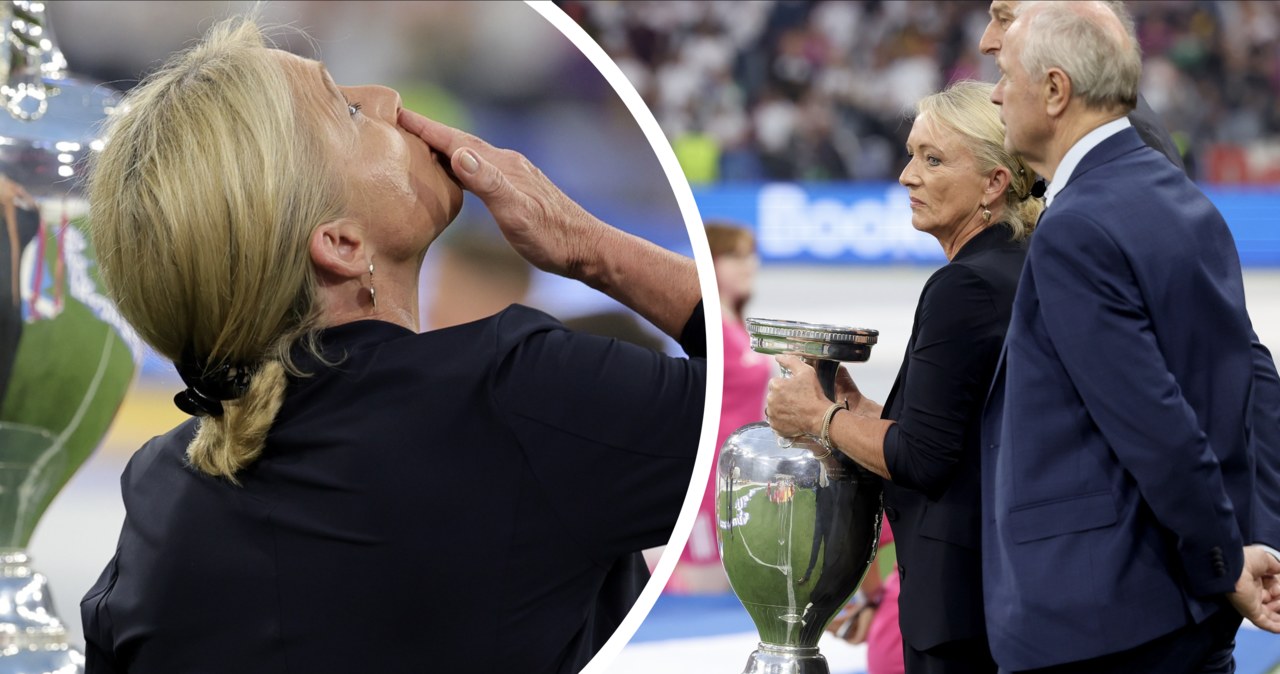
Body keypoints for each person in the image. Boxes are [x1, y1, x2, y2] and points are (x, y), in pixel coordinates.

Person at [79, 16, 705, 674]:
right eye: (349, 111)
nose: (388, 98)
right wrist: (590, 250)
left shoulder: (156, 493)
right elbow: (785, 412)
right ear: (342, 244)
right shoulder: (517, 400)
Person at [982, 3, 1280, 672]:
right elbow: (1241, 386)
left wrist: (1222, 558)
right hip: (1183, 609)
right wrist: (1240, 541)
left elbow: (1154, 422)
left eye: (1005, 74)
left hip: (1098, 618)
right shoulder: (1188, 202)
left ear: (1055, 90)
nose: (996, 92)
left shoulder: (1076, 228)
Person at [766, 80, 1043, 674]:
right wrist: (856, 408)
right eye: (913, 154)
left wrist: (818, 418)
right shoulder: (1019, 266)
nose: (906, 176)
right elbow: (966, 433)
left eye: (933, 159)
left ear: (994, 183)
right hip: (1010, 592)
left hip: (957, 606)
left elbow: (924, 456)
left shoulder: (963, 287)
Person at [669, 221, 769, 594]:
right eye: (734, 256)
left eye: (751, 255)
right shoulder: (707, 328)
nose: (749, 265)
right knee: (702, 586)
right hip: (708, 473)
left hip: (737, 476)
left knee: (729, 583)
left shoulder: (737, 327)